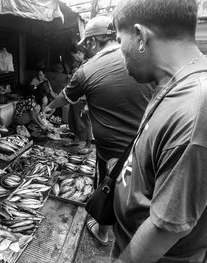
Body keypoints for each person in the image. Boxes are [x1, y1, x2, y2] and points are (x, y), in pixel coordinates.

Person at [111, 0, 207, 262]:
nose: (119, 51)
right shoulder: (174, 83)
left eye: (118, 40)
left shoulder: (200, 107)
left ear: (139, 35)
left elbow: (165, 227)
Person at [44, 16, 153, 246]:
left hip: (111, 152)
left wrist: (47, 108)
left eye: (85, 45)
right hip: (145, 146)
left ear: (93, 43)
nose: (84, 50)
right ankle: (133, 233)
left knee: (107, 187)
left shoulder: (87, 69)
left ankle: (104, 233)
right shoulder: (142, 59)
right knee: (137, 193)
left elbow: (66, 96)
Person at [65, 43, 93, 154]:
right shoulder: (80, 64)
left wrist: (88, 103)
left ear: (79, 53)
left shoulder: (88, 64)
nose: (74, 58)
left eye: (74, 56)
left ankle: (89, 145)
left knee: (85, 122)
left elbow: (90, 84)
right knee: (73, 119)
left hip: (83, 98)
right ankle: (76, 140)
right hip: (75, 98)